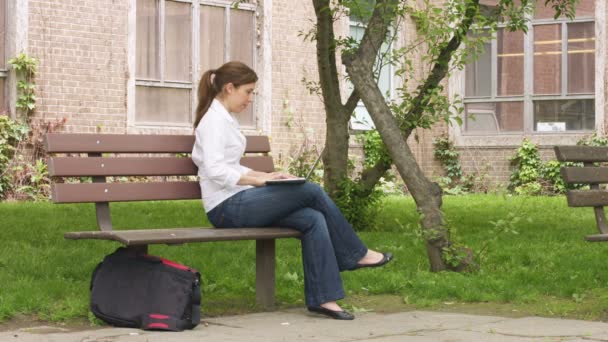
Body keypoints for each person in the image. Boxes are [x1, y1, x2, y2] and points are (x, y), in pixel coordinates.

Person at [191, 61, 393, 320]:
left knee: (313, 218)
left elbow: (231, 166)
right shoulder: (213, 122)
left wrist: (267, 176)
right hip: (226, 209)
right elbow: (216, 171)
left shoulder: (225, 118)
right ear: (230, 88)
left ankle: (324, 299)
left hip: (239, 200)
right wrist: (261, 183)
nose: (250, 99)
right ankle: (356, 254)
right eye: (248, 92)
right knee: (310, 191)